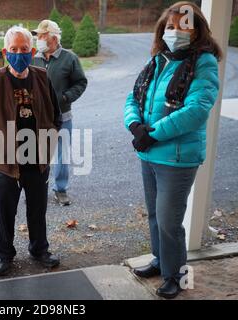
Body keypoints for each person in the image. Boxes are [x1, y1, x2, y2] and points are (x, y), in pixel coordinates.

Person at [124, 1, 221, 299]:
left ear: (196, 32)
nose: (175, 31)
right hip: (149, 154)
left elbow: (196, 111)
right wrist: (134, 126)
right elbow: (132, 98)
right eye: (170, 26)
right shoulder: (157, 60)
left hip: (176, 158)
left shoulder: (203, 63)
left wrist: (151, 134)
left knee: (169, 221)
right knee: (154, 215)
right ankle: (160, 260)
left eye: (183, 26)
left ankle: (178, 277)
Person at [0, 26, 62, 276]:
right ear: (5, 51)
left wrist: (50, 142)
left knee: (37, 210)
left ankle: (39, 249)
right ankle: (5, 255)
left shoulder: (42, 77)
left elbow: (56, 115)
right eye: (13, 49)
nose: (19, 53)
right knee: (6, 212)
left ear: (32, 51)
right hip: (6, 162)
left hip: (37, 160)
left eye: (24, 49)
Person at [32, 20, 87, 206]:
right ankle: (37, 189)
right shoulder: (34, 58)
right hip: (38, 118)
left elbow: (81, 82)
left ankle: (60, 189)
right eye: (37, 35)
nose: (38, 39)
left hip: (62, 117)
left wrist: (65, 97)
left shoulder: (69, 58)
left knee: (62, 155)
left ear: (53, 38)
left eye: (41, 35)